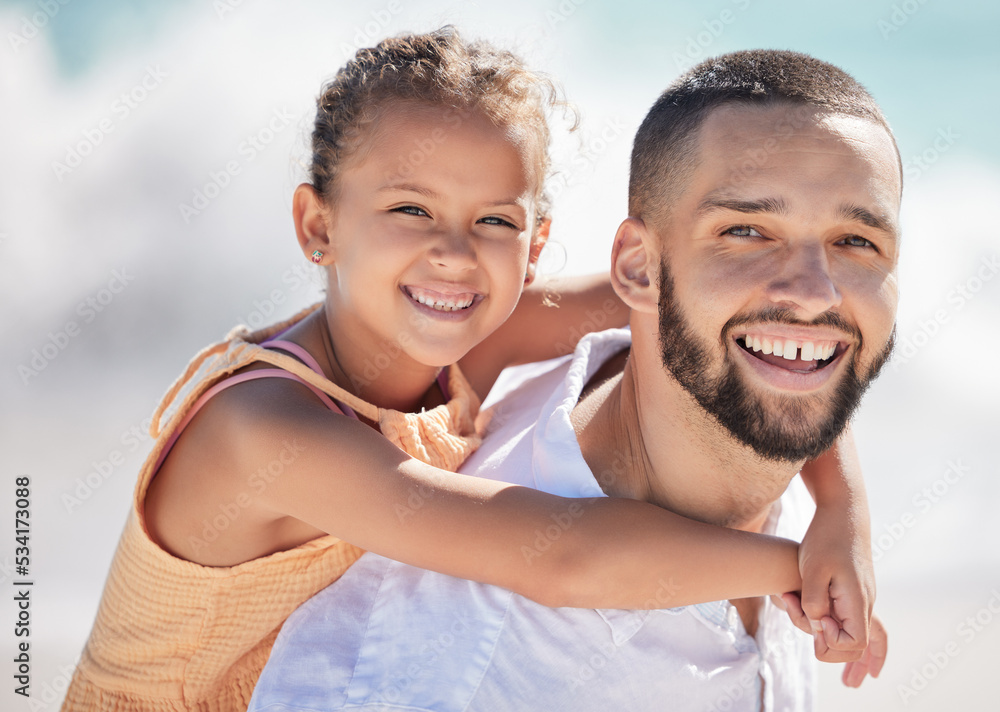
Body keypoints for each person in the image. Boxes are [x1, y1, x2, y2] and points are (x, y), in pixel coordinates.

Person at [62, 33, 875, 712]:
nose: (454, 251)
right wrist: (799, 568)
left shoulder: (463, 330)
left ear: (536, 244)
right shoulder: (265, 428)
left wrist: (843, 510)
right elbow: (561, 559)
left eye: (494, 221)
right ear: (319, 225)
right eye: (410, 209)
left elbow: (749, 329)